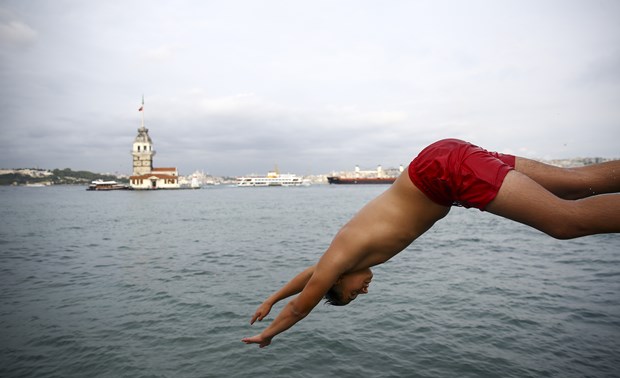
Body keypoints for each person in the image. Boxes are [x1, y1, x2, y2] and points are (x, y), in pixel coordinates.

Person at [242, 138, 620, 348]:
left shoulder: (342, 256)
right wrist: (269, 299)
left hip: (444, 175)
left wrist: (269, 332)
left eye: (353, 294)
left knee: (564, 223)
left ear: (338, 281)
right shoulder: (343, 257)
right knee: (575, 185)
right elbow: (307, 277)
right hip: (442, 164)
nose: (364, 291)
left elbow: (302, 304)